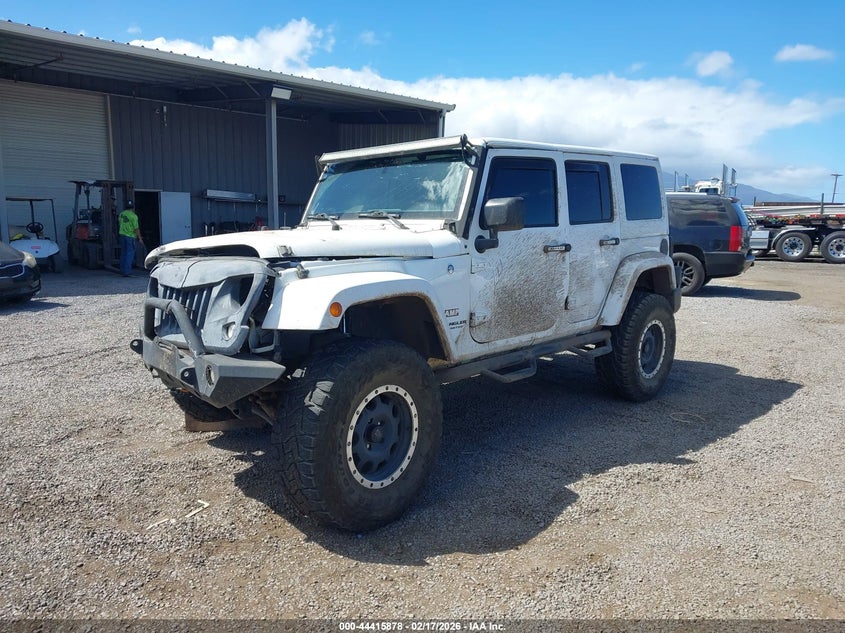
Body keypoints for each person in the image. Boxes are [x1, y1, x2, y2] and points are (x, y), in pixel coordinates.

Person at [118, 200, 143, 276]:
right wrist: (140, 238)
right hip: (130, 237)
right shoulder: (134, 216)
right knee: (130, 254)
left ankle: (122, 270)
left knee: (123, 253)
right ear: (133, 207)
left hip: (122, 236)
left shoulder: (121, 214)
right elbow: (136, 228)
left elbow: (119, 223)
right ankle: (127, 271)